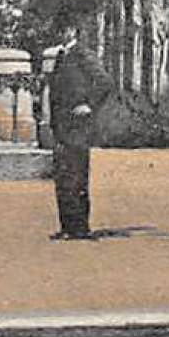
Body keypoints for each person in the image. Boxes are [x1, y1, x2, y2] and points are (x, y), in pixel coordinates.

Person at [46, 23, 113, 240]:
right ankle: (67, 227)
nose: (59, 32)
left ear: (73, 30)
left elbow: (104, 82)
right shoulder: (61, 56)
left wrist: (88, 104)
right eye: (57, 29)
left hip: (77, 126)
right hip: (62, 125)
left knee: (75, 175)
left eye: (63, 28)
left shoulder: (83, 54)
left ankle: (79, 228)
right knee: (64, 176)